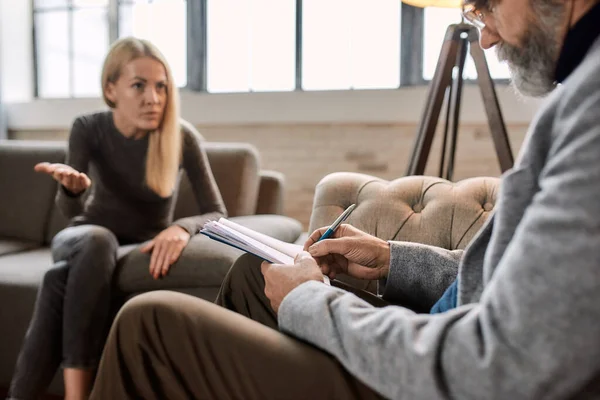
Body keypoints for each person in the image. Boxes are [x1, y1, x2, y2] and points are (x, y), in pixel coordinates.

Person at [90, 0, 600, 398]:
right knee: (255, 270)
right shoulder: (579, 89)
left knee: (149, 322)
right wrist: (390, 261)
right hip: (451, 337)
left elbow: (502, 365)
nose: (484, 34)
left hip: (445, 375)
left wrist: (310, 299)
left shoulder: (591, 108)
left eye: (486, 7)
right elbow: (505, 276)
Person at [7, 37, 227, 400]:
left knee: (57, 282)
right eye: (138, 85)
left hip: (135, 245)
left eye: (161, 87)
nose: (153, 98)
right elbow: (73, 215)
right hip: (82, 237)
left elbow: (217, 210)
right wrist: (74, 190)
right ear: (111, 89)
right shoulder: (88, 127)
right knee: (97, 241)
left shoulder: (181, 136)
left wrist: (181, 227)